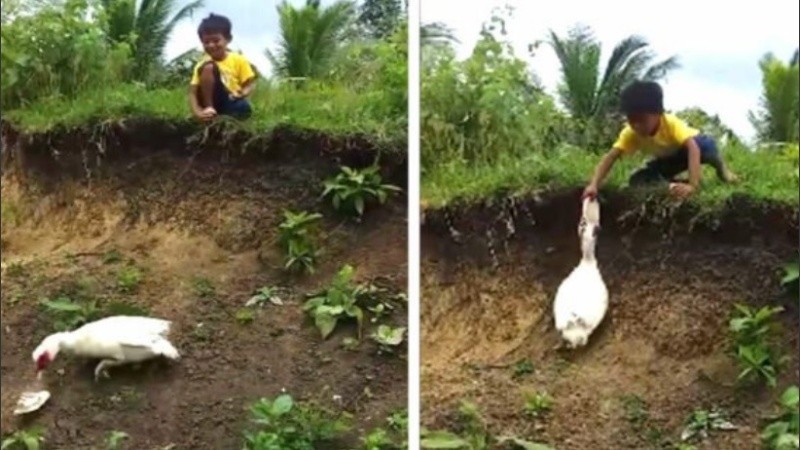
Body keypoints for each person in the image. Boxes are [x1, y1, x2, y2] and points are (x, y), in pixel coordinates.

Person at [583, 81, 738, 200]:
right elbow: (611, 157)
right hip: (669, 159)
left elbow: (693, 148)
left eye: (642, 119)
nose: (636, 126)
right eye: (631, 120)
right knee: (637, 180)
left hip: (695, 147)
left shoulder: (670, 123)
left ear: (658, 114)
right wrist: (593, 185)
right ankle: (673, 185)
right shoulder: (630, 133)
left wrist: (693, 186)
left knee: (708, 149)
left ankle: (723, 171)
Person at [188, 13, 257, 122]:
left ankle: (225, 120)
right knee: (208, 67)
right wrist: (198, 113)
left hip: (229, 100)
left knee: (243, 107)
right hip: (210, 100)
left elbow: (249, 84)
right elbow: (193, 92)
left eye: (216, 41)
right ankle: (209, 110)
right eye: (207, 42)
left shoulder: (239, 59)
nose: (211, 45)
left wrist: (241, 94)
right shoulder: (202, 64)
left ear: (228, 39)